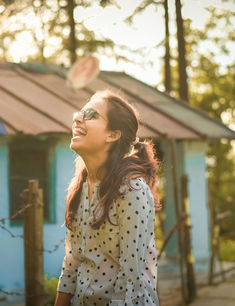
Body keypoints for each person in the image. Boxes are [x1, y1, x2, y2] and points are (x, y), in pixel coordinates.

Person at [55, 90, 160, 305]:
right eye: (80, 112)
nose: (77, 118)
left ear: (112, 135)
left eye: (91, 115)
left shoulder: (132, 191)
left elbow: (129, 282)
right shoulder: (80, 187)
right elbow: (71, 264)